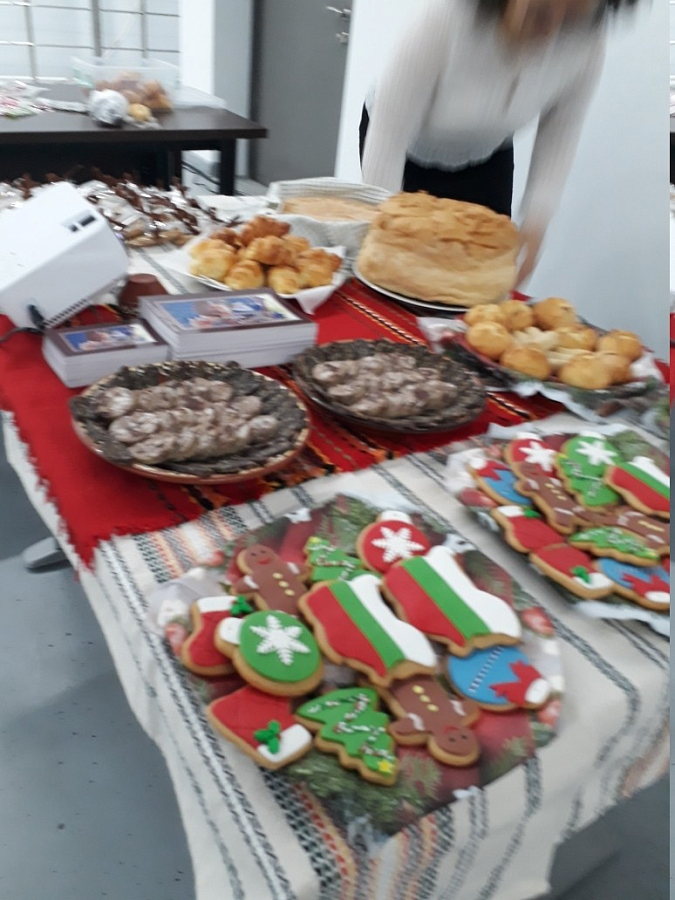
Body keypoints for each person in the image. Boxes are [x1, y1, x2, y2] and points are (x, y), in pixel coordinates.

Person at [360, 0, 638, 285]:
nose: (552, 31)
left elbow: (560, 134)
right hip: (403, 149)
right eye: (540, 12)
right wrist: (384, 225)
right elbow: (388, 135)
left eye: (570, 19)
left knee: (476, 282)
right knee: (400, 274)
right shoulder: (447, 18)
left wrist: (537, 219)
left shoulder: (587, 43)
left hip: (487, 157)